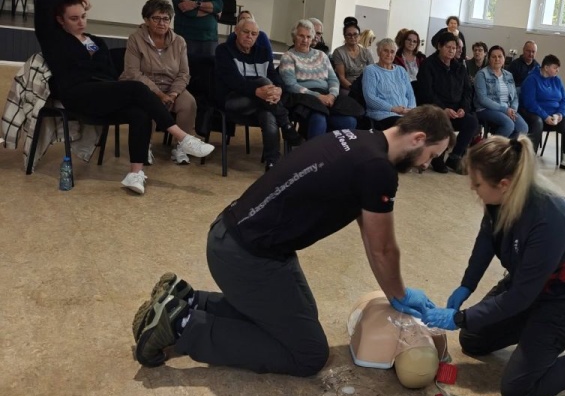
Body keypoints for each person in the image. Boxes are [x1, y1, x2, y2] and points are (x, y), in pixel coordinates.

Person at [131, 106, 456, 376]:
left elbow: (371, 236)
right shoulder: (377, 168)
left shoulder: (358, 139)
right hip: (247, 255)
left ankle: (187, 300)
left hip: (235, 237)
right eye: (431, 155)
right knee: (308, 354)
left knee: (296, 320)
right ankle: (184, 326)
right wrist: (400, 295)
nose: (426, 166)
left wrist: (394, 292)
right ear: (418, 138)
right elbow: (384, 249)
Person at [421, 136, 565, 396]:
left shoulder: (550, 217)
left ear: (504, 184)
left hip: (564, 298)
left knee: (519, 391)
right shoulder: (502, 200)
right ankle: (546, 335)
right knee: (472, 339)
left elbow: (520, 296)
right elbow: (487, 240)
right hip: (531, 284)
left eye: (477, 184)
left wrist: (460, 317)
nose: (473, 190)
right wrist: (466, 285)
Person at [35, 0, 214, 194]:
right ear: (60, 20)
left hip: (103, 93)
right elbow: (42, 2)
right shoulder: (54, 39)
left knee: (140, 111)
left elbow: (110, 74)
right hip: (77, 94)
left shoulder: (96, 42)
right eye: (74, 18)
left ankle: (135, 174)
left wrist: (116, 91)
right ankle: (183, 138)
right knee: (137, 87)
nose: (81, 22)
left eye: (83, 16)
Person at [214, 18, 303, 171]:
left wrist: (279, 89)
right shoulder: (224, 50)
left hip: (262, 101)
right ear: (236, 32)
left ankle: (272, 163)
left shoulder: (262, 52)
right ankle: (286, 125)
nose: (250, 36)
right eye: (246, 32)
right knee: (263, 81)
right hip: (232, 100)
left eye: (254, 34)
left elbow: (274, 77)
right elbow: (233, 82)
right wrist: (258, 91)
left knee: (267, 113)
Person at [120, 0, 199, 165]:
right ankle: (144, 147)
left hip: (172, 87)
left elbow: (184, 73)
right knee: (149, 103)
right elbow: (133, 72)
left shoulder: (179, 41)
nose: (162, 23)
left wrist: (173, 93)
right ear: (146, 20)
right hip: (144, 87)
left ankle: (181, 147)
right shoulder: (136, 39)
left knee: (189, 103)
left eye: (166, 19)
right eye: (156, 18)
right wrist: (159, 93)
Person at [278, 19, 357, 139]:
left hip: (327, 98)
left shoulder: (321, 55)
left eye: (309, 36)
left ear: (313, 38)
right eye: (301, 36)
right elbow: (291, 85)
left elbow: (333, 79)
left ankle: (333, 154)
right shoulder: (289, 57)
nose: (305, 40)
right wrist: (318, 96)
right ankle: (313, 155)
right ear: (294, 37)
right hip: (304, 98)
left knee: (349, 121)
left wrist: (332, 95)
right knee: (319, 119)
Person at [415, 32, 479, 174]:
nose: (451, 50)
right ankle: (437, 156)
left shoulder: (460, 68)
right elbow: (426, 93)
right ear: (439, 46)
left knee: (472, 122)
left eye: (454, 48)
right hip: (434, 109)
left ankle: (455, 157)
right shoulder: (428, 65)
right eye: (448, 47)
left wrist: (463, 108)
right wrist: (443, 109)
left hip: (456, 110)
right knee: (444, 121)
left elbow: (467, 92)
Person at [520, 55, 565, 173]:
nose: (557, 70)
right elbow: (530, 103)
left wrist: (560, 114)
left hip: (554, 115)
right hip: (534, 113)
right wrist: (545, 116)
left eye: (558, 68)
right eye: (555, 68)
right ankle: (530, 160)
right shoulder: (531, 79)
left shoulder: (557, 80)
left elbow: (564, 99)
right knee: (537, 123)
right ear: (546, 67)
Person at [364, 38, 418, 130]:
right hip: (383, 115)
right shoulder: (371, 70)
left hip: (406, 114)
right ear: (378, 52)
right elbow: (370, 98)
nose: (389, 55)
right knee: (408, 128)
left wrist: (411, 110)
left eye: (392, 52)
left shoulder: (401, 70)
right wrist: (393, 109)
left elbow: (410, 94)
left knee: (428, 126)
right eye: (385, 51)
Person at [474, 45, 527, 139]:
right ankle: (493, 149)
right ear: (489, 59)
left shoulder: (508, 75)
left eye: (500, 56)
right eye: (493, 57)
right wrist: (504, 110)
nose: (497, 59)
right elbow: (483, 99)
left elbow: (514, 97)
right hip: (486, 109)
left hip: (508, 109)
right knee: (509, 125)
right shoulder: (482, 74)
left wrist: (513, 109)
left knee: (523, 128)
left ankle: (506, 150)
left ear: (504, 58)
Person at [332, 17, 375, 92]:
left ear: (359, 36)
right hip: (348, 88)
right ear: (344, 36)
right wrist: (354, 90)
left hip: (366, 87)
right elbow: (342, 78)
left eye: (355, 34)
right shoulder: (339, 52)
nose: (352, 37)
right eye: (349, 35)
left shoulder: (366, 52)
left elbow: (373, 74)